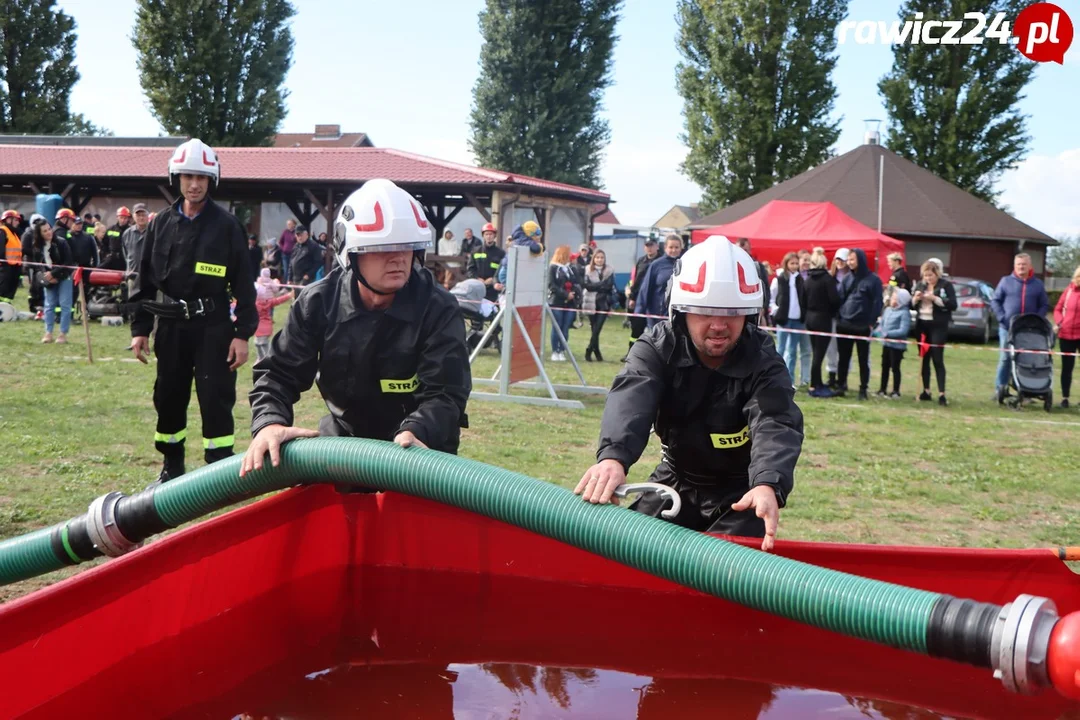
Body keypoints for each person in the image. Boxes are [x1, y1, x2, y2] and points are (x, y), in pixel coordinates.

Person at [575, 235, 804, 552]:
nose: (719, 325)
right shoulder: (654, 348)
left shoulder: (763, 360)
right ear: (680, 311)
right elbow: (631, 398)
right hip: (675, 481)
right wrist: (614, 458)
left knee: (725, 581)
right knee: (626, 558)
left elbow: (775, 420)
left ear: (751, 315)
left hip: (742, 494)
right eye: (706, 311)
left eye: (732, 313)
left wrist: (768, 482)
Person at [241, 178, 472, 477]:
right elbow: (278, 373)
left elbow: (445, 393)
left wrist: (419, 431)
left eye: (407, 247)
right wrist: (269, 423)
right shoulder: (318, 302)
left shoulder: (438, 308)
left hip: (419, 450)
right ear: (350, 253)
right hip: (344, 441)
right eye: (383, 247)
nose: (398, 258)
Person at [129, 138, 257, 484]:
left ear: (212, 179)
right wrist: (140, 328)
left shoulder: (227, 226)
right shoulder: (160, 224)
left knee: (215, 396)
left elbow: (245, 285)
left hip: (214, 327)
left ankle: (219, 469)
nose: (194, 184)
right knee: (168, 395)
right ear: (177, 178)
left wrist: (242, 334)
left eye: (201, 177)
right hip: (170, 325)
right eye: (187, 177)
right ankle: (172, 465)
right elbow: (144, 279)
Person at [990, 253, 1050, 399]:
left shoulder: (1038, 284)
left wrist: (1037, 319)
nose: (1021, 267)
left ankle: (1027, 390)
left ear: (1030, 266)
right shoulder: (1005, 281)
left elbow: (1044, 304)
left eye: (1024, 264)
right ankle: (1000, 389)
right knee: (1005, 358)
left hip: (1029, 331)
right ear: (1014, 266)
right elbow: (995, 301)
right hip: (1007, 328)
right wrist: (1002, 318)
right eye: (1018, 264)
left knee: (1027, 359)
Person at [835, 248, 883, 400]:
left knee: (863, 359)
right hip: (844, 323)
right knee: (843, 357)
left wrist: (871, 322)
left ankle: (863, 389)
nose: (849, 262)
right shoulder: (846, 278)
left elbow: (877, 303)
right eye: (848, 259)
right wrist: (839, 317)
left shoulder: (873, 280)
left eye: (852, 259)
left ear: (860, 260)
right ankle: (841, 385)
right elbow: (840, 298)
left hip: (862, 325)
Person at [911, 261, 957, 405]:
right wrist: (915, 299)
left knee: (937, 358)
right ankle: (926, 390)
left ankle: (942, 393)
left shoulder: (946, 285)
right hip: (922, 324)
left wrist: (935, 299)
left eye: (930, 275)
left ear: (937, 274)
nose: (928, 278)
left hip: (938, 326)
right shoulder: (920, 285)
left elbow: (953, 304)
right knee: (924, 358)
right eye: (925, 276)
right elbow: (911, 305)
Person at [803, 248, 841, 398]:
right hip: (823, 319)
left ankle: (817, 382)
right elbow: (835, 300)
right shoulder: (827, 280)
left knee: (816, 352)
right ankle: (814, 386)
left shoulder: (807, 280)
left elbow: (803, 301)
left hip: (810, 318)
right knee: (819, 355)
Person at [769, 252, 809, 387]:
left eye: (796, 263)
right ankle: (776, 379)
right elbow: (772, 297)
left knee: (792, 352)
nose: (795, 266)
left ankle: (790, 380)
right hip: (783, 320)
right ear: (786, 264)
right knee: (780, 350)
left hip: (797, 320)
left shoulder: (800, 280)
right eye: (792, 263)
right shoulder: (779, 279)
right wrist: (775, 310)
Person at [31, 221, 74, 344]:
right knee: (49, 306)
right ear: (39, 234)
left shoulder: (61, 242)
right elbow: (38, 265)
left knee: (65, 305)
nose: (48, 232)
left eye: (49, 229)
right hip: (48, 279)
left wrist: (54, 274)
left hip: (64, 276)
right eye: (44, 231)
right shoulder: (37, 246)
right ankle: (48, 332)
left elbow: (68, 263)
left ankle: (62, 334)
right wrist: (46, 276)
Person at [634, 234, 682, 330]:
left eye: (676, 247)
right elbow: (645, 289)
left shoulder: (686, 263)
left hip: (678, 313)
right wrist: (639, 311)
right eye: (671, 247)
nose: (673, 250)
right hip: (657, 314)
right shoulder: (656, 265)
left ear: (681, 248)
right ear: (665, 248)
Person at [623, 238, 659, 361]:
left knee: (656, 330)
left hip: (655, 302)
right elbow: (636, 281)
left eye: (652, 245)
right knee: (636, 329)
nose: (649, 248)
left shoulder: (661, 261)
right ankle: (631, 354)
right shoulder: (641, 261)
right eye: (647, 246)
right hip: (640, 300)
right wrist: (632, 298)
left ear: (657, 246)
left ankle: (654, 357)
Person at [877, 287, 912, 398]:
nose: (892, 300)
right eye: (892, 298)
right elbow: (882, 324)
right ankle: (882, 389)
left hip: (897, 346)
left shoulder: (904, 313)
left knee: (895, 367)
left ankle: (896, 391)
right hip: (886, 344)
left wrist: (888, 334)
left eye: (895, 299)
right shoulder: (887, 310)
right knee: (884, 366)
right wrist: (878, 332)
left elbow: (903, 330)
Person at [1053, 266, 1080, 409]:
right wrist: (1059, 322)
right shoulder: (1069, 291)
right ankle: (1065, 398)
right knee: (1067, 368)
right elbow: (1057, 309)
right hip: (1066, 335)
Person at [582, 249, 615, 362]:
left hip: (603, 303)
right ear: (594, 258)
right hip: (591, 302)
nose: (600, 259)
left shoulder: (609, 270)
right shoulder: (587, 269)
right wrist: (601, 284)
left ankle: (589, 350)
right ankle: (597, 352)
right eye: (597, 257)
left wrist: (597, 286)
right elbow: (587, 286)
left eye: (602, 257)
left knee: (597, 329)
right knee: (594, 329)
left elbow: (609, 286)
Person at [825, 248, 852, 389]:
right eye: (838, 259)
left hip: (847, 318)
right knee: (831, 348)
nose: (840, 262)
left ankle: (843, 378)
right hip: (833, 317)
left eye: (843, 259)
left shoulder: (851, 277)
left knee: (845, 350)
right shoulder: (830, 277)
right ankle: (831, 376)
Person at [548, 245, 578, 362]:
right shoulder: (553, 268)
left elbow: (576, 282)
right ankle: (555, 350)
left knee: (565, 328)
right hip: (557, 302)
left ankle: (562, 350)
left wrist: (573, 293)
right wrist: (566, 294)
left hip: (569, 303)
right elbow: (552, 285)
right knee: (557, 327)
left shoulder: (570, 268)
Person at [253, 269, 291, 362]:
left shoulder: (253, 304)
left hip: (260, 329)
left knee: (261, 345)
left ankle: (266, 361)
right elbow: (278, 300)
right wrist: (289, 295)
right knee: (260, 344)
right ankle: (262, 360)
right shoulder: (267, 302)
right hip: (265, 328)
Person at [466, 222, 505, 302]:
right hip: (477, 288)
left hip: (493, 290)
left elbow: (503, 271)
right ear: (483, 236)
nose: (488, 236)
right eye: (486, 234)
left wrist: (493, 279)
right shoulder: (476, 251)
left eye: (491, 234)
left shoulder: (501, 253)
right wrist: (477, 278)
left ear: (494, 235)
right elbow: (470, 269)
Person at [0, 210, 23, 305]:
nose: (18, 222)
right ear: (9, 220)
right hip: (5, 267)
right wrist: (4, 264)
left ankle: (6, 308)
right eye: (16, 220)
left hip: (14, 266)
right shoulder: (2, 231)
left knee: (10, 292)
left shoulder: (14, 233)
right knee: (3, 291)